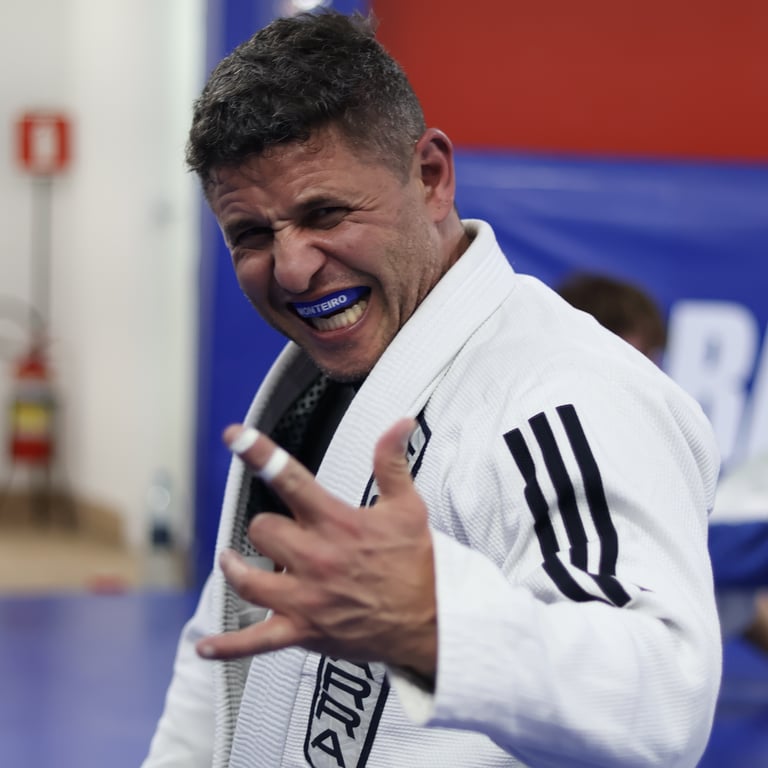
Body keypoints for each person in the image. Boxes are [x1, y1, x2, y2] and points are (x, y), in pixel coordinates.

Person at [143, 11, 721, 768]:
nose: (292, 269)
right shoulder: (321, 390)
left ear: (431, 177)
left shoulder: (563, 392)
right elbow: (226, 663)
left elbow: (663, 690)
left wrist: (433, 627)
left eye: (326, 213)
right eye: (251, 234)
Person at [557, 271, 768, 652]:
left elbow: (730, 601)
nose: (647, 380)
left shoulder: (666, 460)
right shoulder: (547, 458)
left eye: (651, 362)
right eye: (631, 361)